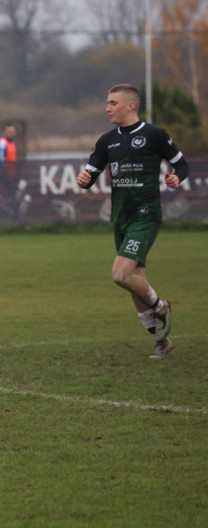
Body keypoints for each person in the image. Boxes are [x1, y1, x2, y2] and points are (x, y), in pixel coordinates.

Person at [76, 84, 189, 359]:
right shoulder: (106, 140)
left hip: (146, 214)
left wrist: (176, 177)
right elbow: (90, 173)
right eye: (107, 103)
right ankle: (162, 341)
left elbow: (181, 165)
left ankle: (160, 305)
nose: (107, 108)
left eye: (113, 103)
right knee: (134, 280)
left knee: (120, 274)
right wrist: (84, 180)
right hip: (121, 216)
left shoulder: (154, 135)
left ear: (131, 106)